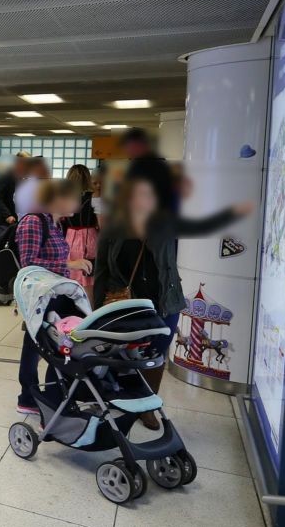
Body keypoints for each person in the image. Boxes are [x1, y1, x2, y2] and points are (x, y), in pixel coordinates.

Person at [93, 178, 252, 429]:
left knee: (155, 355)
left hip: (162, 303)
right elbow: (101, 268)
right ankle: (113, 395)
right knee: (119, 353)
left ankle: (147, 405)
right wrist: (97, 309)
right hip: (125, 303)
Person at [15, 180, 92, 415]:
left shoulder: (56, 224)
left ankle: (37, 397)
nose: (76, 204)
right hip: (41, 297)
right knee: (45, 346)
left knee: (41, 345)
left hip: (55, 294)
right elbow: (28, 263)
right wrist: (70, 264)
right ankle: (35, 398)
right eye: (71, 198)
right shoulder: (33, 222)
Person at [62, 164, 99, 302]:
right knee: (88, 280)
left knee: (71, 278)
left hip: (69, 237)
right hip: (90, 237)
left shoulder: (65, 197)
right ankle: (90, 314)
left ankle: (71, 314)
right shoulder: (94, 197)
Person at [121, 127, 177, 213]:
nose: (127, 151)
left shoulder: (149, 165)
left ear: (140, 144)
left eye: (129, 146)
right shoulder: (140, 164)